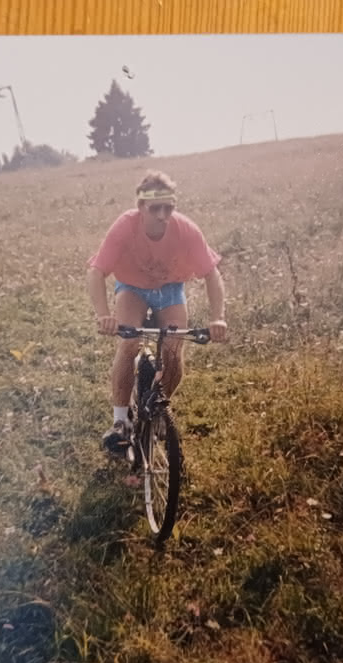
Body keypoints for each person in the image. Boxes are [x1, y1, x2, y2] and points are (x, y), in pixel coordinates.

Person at [86, 170, 228, 454]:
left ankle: (160, 407)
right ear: (140, 206)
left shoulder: (186, 229)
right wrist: (104, 315)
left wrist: (218, 318)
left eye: (169, 208)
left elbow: (212, 275)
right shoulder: (125, 226)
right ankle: (120, 421)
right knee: (129, 344)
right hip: (132, 287)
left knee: (173, 350)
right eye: (155, 208)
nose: (163, 215)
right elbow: (96, 272)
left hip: (170, 288)